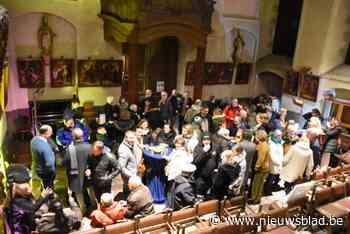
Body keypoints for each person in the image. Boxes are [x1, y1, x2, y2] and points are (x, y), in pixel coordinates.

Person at [5, 164, 52, 234]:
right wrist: (42, 196)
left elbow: (29, 213)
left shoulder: (23, 197)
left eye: (27, 182)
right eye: (24, 183)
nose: (28, 186)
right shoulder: (16, 201)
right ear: (14, 186)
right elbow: (32, 208)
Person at [62, 128, 91, 215]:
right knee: (91, 192)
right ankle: (94, 208)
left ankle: (83, 211)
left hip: (75, 177)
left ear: (73, 137)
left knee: (79, 195)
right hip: (88, 175)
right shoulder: (89, 147)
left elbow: (64, 162)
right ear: (82, 136)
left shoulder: (70, 149)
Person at [118, 131, 143, 197]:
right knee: (129, 193)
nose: (132, 140)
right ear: (125, 138)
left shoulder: (131, 144)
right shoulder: (123, 150)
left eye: (133, 138)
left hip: (133, 172)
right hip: (129, 176)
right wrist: (132, 176)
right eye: (130, 138)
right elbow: (121, 167)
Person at [31, 125, 56, 189]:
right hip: (46, 172)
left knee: (45, 185)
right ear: (46, 133)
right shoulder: (45, 147)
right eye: (51, 132)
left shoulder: (34, 140)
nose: (52, 134)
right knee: (49, 187)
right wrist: (53, 173)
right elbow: (50, 164)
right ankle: (50, 197)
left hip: (38, 168)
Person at [251, 130, 271, 203]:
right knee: (259, 184)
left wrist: (257, 166)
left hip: (262, 168)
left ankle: (255, 199)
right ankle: (256, 198)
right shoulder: (264, 144)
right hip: (264, 168)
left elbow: (261, 158)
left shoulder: (263, 145)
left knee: (257, 184)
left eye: (256, 135)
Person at [265, 130, 284, 195]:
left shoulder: (278, 142)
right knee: (271, 178)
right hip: (274, 165)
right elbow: (272, 156)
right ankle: (267, 191)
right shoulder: (272, 144)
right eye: (279, 136)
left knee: (276, 178)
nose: (281, 137)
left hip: (278, 164)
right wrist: (278, 163)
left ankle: (273, 188)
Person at [238, 129, 256, 193]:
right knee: (244, 180)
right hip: (248, 165)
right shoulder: (253, 145)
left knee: (238, 181)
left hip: (240, 165)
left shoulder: (240, 144)